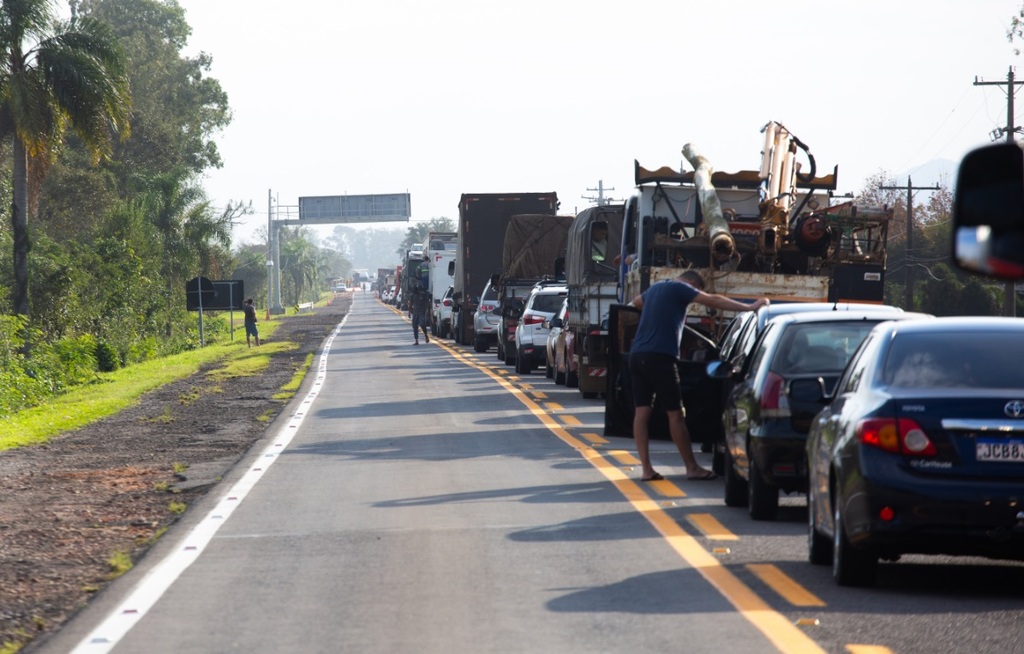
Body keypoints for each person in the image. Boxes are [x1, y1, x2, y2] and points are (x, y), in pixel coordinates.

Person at [627, 270, 768, 481]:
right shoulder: (680, 287)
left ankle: (647, 469)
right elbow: (713, 301)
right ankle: (692, 467)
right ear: (693, 284)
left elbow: (635, 303)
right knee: (675, 414)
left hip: (637, 355)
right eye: (696, 290)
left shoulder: (656, 289)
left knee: (642, 412)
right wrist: (749, 307)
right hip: (660, 357)